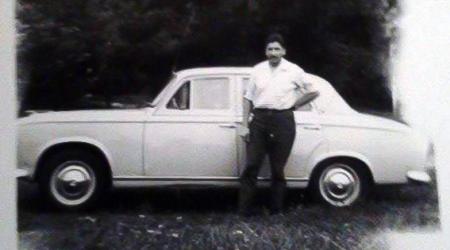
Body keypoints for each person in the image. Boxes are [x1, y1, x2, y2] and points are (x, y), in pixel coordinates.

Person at [238, 33, 319, 215]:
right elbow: (248, 98)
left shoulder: (294, 70)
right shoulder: (257, 70)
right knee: (252, 165)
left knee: (277, 168)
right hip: (259, 120)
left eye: (276, 49)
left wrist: (294, 105)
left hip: (283, 120)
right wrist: (244, 125)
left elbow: (313, 91)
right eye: (270, 49)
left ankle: (276, 210)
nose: (273, 53)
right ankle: (244, 211)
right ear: (265, 51)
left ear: (283, 51)